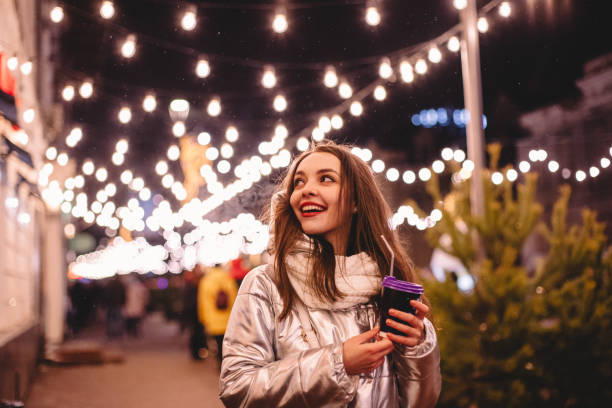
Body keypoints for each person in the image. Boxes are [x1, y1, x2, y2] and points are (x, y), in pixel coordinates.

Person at [219, 142, 441, 407]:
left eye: (326, 179)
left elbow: (422, 402)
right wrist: (338, 363)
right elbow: (237, 387)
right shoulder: (267, 284)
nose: (306, 190)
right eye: (298, 183)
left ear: (357, 201)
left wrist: (418, 348)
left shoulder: (387, 284)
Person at [198, 264, 238, 367]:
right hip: (227, 319)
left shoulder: (205, 281)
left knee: (217, 342)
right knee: (227, 344)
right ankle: (227, 363)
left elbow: (202, 302)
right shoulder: (228, 279)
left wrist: (202, 318)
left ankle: (220, 363)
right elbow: (235, 300)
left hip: (212, 319)